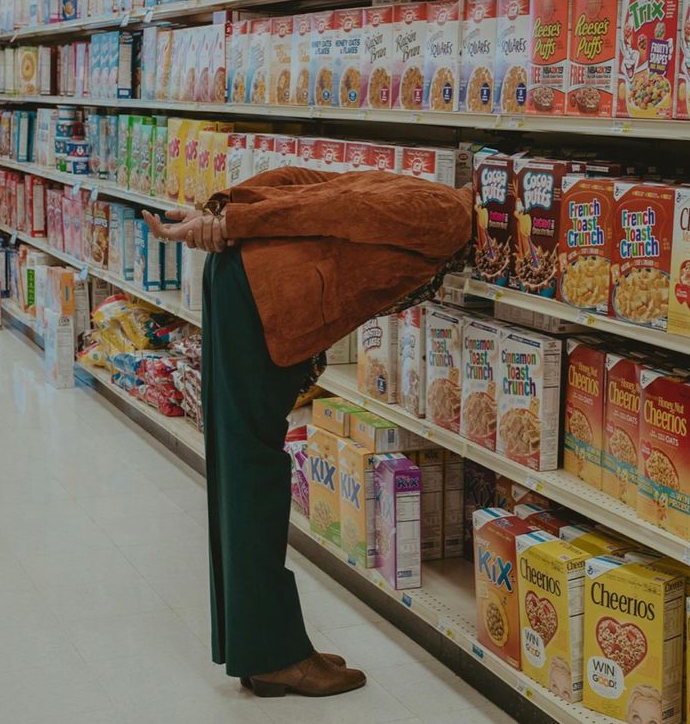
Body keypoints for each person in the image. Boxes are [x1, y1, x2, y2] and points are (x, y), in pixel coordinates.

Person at [143, 165, 473, 698]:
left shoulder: (419, 189)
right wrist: (231, 221)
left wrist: (224, 207)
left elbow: (302, 180)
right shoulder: (446, 218)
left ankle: (259, 645)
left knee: (239, 462)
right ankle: (277, 658)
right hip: (263, 297)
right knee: (254, 470)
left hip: (243, 280)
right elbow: (334, 209)